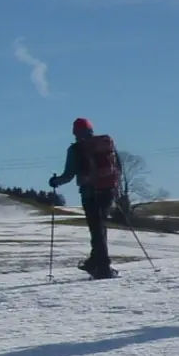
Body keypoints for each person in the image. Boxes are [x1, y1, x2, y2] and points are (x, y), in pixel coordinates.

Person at [49, 117, 121, 279]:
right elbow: (118, 166)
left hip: (89, 193)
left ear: (75, 132)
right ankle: (95, 262)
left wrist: (55, 182)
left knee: (96, 229)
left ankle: (103, 267)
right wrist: (115, 187)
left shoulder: (76, 149)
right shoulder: (106, 143)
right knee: (100, 228)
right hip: (107, 190)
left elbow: (68, 175)